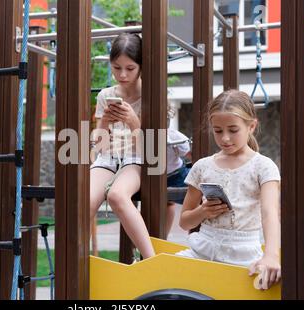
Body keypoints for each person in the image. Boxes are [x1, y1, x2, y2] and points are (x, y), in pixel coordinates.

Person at [176, 90, 281, 290]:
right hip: (203, 250)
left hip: (244, 253)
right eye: (218, 130)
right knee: (161, 278)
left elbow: (270, 214)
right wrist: (202, 211)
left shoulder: (264, 167)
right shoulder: (202, 166)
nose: (225, 138)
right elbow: (184, 222)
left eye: (233, 130)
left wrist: (271, 255)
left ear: (251, 126)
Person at [90, 33, 155, 260]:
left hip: (136, 157)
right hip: (108, 156)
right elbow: (99, 147)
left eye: (130, 68)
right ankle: (77, 263)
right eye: (117, 68)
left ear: (140, 67)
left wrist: (133, 121)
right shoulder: (106, 95)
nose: (123, 75)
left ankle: (150, 260)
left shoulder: (152, 94)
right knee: (83, 202)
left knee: (117, 196)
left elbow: (150, 150)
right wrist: (104, 121)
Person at [165, 127, 192, 236]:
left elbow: (190, 154)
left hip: (178, 175)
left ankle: (195, 236)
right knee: (167, 203)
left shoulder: (173, 135)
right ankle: (163, 238)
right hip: (159, 177)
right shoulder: (138, 134)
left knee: (194, 200)